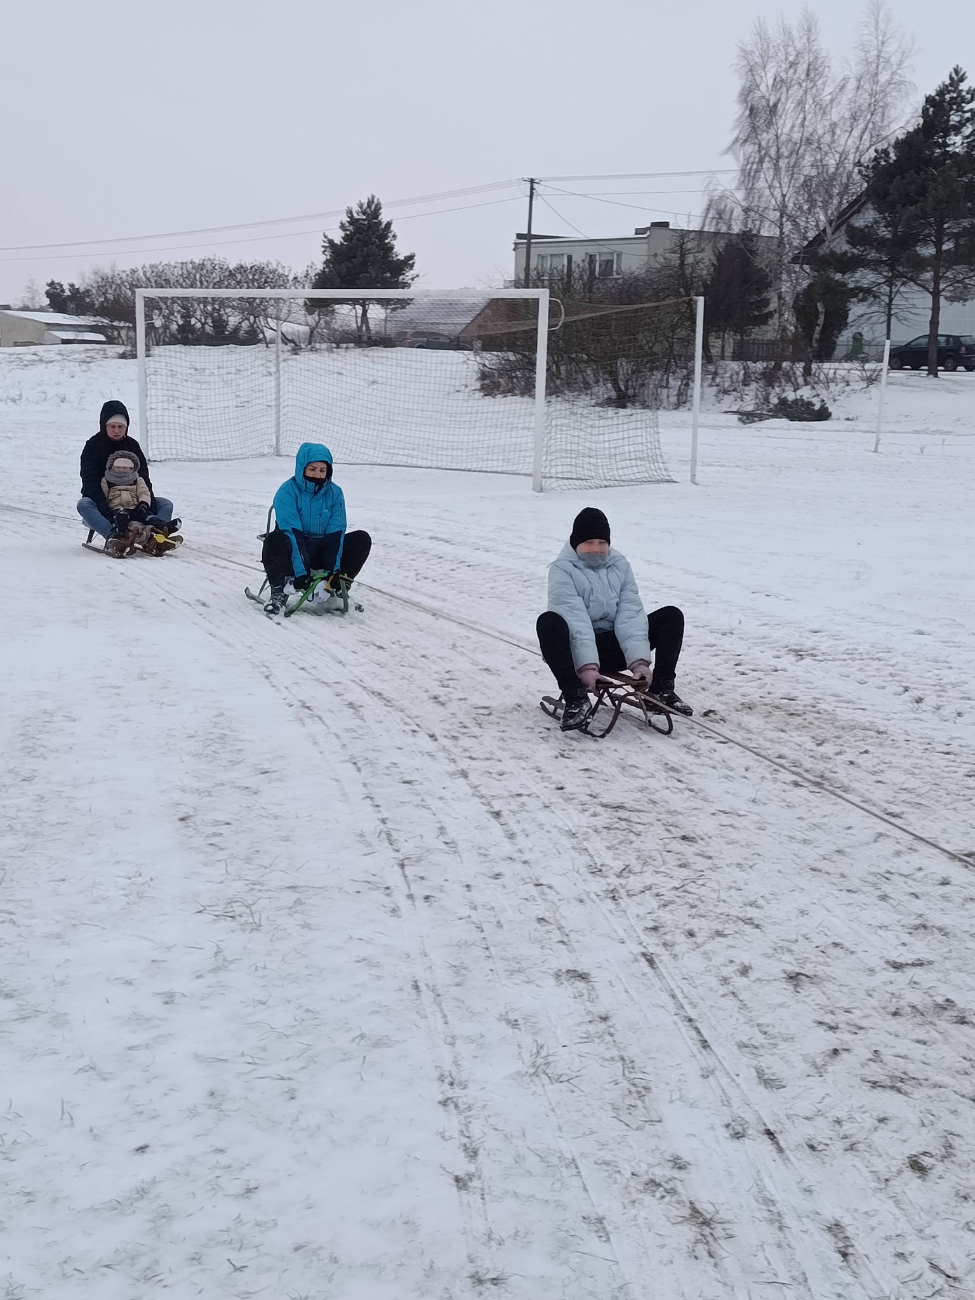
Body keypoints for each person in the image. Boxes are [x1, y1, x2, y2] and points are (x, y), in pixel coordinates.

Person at [537, 507, 692, 731]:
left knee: (671, 616)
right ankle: (576, 697)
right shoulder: (562, 570)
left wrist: (639, 662)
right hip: (576, 654)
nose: (596, 549)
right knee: (549, 622)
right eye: (589, 542)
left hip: (615, 647)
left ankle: (661, 689)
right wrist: (588, 668)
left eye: (602, 542)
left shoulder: (620, 565)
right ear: (576, 543)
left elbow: (630, 614)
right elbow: (575, 619)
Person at [261, 442, 372, 616]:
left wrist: (330, 574)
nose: (317, 475)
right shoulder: (287, 492)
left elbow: (336, 534)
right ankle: (279, 592)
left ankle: (335, 589)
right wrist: (302, 575)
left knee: (361, 539)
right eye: (312, 469)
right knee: (274, 539)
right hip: (294, 550)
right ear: (302, 468)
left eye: (322, 470)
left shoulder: (335, 493)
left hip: (321, 548)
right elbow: (292, 534)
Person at [78, 400, 180, 546]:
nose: (116, 430)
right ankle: (114, 537)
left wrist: (146, 508)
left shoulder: (132, 445)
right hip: (106, 503)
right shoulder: (92, 446)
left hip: (134, 501)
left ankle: (155, 536)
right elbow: (90, 482)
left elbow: (144, 478)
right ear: (104, 426)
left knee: (165, 504)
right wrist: (107, 509)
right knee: (84, 504)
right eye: (112, 426)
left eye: (120, 427)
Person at [100, 449, 153, 557]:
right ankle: (122, 537)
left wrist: (143, 504)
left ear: (131, 468)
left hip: (134, 507)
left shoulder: (137, 480)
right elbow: (103, 496)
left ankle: (161, 529)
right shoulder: (106, 480)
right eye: (118, 467)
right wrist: (105, 508)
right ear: (112, 467)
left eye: (125, 468)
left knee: (148, 517)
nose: (121, 470)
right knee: (121, 517)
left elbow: (143, 492)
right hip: (116, 508)